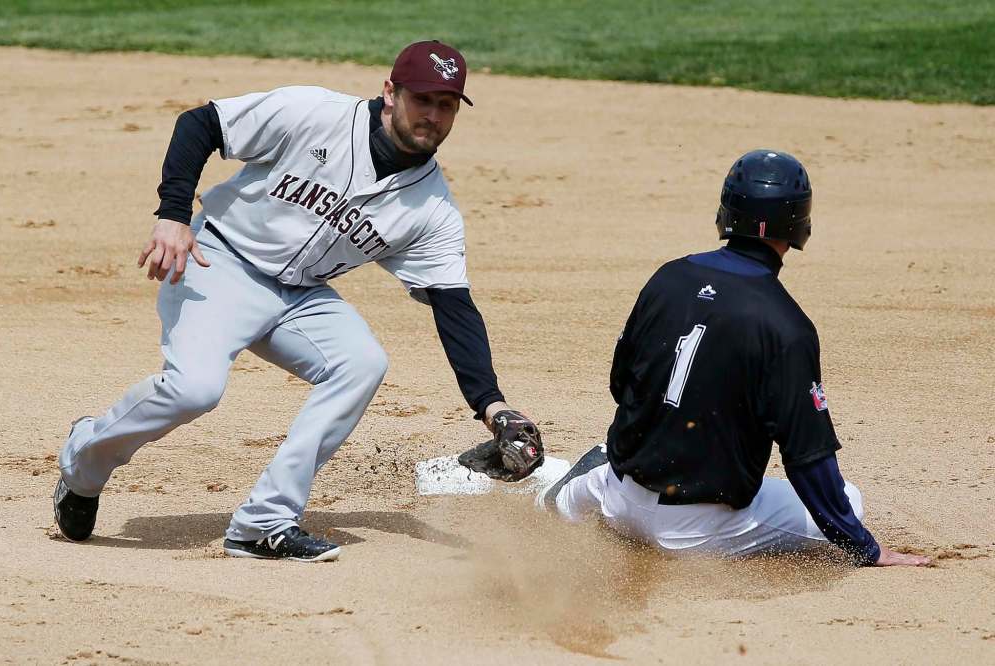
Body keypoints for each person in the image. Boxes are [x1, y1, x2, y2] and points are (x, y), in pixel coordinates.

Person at [54, 40, 543, 562]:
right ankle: (84, 460)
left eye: (446, 105)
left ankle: (264, 522)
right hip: (220, 262)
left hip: (301, 296)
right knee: (194, 389)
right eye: (422, 99)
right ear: (389, 93)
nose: (432, 115)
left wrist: (492, 406)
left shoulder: (432, 209)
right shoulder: (313, 112)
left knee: (361, 363)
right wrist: (173, 215)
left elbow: (455, 309)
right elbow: (201, 124)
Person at [537, 150, 929, 567]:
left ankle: (571, 492)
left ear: (727, 211)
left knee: (600, 478)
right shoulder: (787, 325)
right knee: (850, 499)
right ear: (799, 223)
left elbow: (621, 384)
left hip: (617, 496)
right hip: (693, 531)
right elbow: (808, 459)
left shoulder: (668, 276)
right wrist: (866, 548)